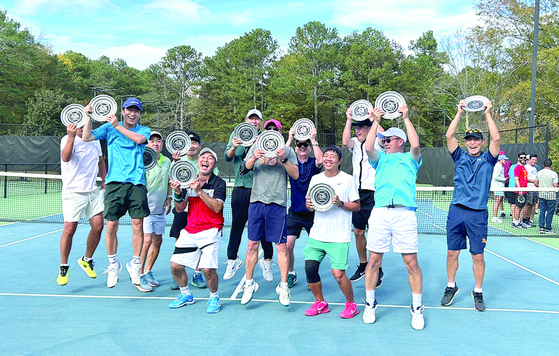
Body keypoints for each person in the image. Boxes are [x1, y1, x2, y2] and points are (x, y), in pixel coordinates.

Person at [363, 105, 425, 330]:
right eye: (384, 140)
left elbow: (416, 144)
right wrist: (375, 121)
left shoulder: (411, 159)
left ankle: (417, 309)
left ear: (400, 141)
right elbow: (368, 146)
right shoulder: (379, 160)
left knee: (412, 263)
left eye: (389, 140)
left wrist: (406, 118)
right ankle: (370, 304)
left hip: (405, 214)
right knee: (373, 262)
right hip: (380, 213)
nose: (385, 143)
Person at [82, 97, 151, 291]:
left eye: (136, 111)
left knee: (138, 225)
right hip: (114, 184)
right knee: (111, 226)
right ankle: (113, 265)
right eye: (129, 110)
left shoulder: (143, 131)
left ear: (139, 114)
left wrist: (117, 126)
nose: (132, 113)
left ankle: (136, 265)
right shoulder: (108, 128)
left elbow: (138, 140)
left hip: (137, 183)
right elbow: (86, 137)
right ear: (122, 111)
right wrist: (88, 117)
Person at [441, 100, 499, 313]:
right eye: (469, 140)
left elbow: (497, 138)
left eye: (476, 139)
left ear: (482, 142)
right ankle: (451, 286)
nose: (472, 142)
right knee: (452, 252)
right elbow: (449, 137)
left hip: (478, 214)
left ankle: (478, 291)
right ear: (466, 143)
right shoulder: (459, 156)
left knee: (478, 256)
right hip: (456, 210)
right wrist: (458, 112)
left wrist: (488, 114)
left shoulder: (489, 160)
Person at [240, 119, 299, 306]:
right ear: (264, 131)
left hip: (278, 204)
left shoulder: (288, 151)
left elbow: (295, 175)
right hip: (256, 202)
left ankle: (283, 287)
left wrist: (283, 159)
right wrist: (253, 157)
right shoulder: (255, 147)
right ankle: (249, 284)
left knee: (281, 246)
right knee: (252, 245)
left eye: (275, 129)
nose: (272, 131)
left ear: (280, 133)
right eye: (269, 128)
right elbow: (244, 169)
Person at [303, 145, 360, 318]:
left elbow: (357, 206)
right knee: (310, 269)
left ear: (340, 161)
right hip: (317, 234)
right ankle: (320, 303)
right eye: (326, 155)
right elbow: (310, 203)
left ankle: (351, 304)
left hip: (339, 237)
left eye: (333, 156)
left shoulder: (348, 180)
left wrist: (340, 203)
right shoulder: (315, 179)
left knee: (338, 275)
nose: (328, 158)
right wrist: (308, 205)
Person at [168, 148, 226, 313]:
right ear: (198, 162)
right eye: (203, 157)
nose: (206, 159)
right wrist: (178, 192)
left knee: (207, 270)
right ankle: (186, 294)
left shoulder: (219, 183)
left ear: (214, 164)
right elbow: (180, 209)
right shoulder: (188, 180)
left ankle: (214, 297)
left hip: (211, 230)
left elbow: (217, 208)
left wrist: (199, 191)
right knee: (176, 266)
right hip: (190, 230)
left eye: (210, 158)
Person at [223, 109, 274, 282]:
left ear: (260, 122)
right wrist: (236, 146)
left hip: (261, 189)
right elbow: (227, 157)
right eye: (251, 119)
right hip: (241, 187)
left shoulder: (266, 136)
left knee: (264, 228)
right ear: (246, 120)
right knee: (237, 224)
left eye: (257, 119)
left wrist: (260, 144)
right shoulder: (235, 135)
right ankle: (232, 259)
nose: (254, 122)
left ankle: (267, 260)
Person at [57, 122, 106, 286]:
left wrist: (105, 180)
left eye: (85, 127)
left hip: (92, 191)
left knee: (98, 226)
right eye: (79, 127)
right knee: (69, 229)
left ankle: (87, 259)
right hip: (73, 192)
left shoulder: (95, 141)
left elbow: (100, 161)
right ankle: (64, 266)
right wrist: (71, 137)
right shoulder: (66, 139)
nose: (82, 129)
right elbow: (66, 157)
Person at [169, 130, 218, 289]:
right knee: (180, 241)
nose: (192, 146)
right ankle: (181, 273)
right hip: (183, 211)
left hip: (201, 213)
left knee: (201, 245)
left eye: (195, 143)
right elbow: (174, 183)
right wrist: (174, 164)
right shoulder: (178, 162)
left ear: (199, 146)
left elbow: (212, 183)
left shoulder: (206, 163)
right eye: (188, 142)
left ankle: (197, 275)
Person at [342, 108, 385, 285]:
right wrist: (349, 119)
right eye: (357, 128)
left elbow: (385, 135)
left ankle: (378, 268)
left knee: (375, 232)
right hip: (356, 194)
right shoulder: (355, 142)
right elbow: (345, 142)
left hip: (374, 193)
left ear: (369, 129)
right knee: (358, 231)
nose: (358, 131)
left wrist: (375, 120)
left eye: (362, 127)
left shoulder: (377, 143)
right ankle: (363, 264)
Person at [284, 127, 323, 288]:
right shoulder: (290, 163)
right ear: (295, 147)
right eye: (299, 145)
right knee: (287, 245)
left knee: (315, 247)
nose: (302, 147)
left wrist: (313, 140)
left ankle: (312, 276)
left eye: (305, 144)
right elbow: (282, 154)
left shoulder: (314, 163)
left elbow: (321, 160)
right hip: (294, 213)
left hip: (313, 213)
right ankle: (291, 272)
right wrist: (290, 137)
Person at [140, 131, 172, 290]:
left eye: (158, 141)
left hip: (160, 210)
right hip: (145, 210)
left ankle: (148, 270)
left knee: (157, 241)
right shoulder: (142, 161)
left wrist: (169, 197)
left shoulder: (167, 161)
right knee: (146, 241)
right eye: (151, 141)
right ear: (146, 144)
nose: (155, 143)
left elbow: (169, 181)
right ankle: (139, 274)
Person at [535, 159, 558, 234]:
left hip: (542, 195)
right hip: (551, 196)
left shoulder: (539, 173)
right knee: (550, 212)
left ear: (543, 165)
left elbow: (536, 183)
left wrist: (541, 186)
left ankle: (541, 227)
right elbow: (555, 185)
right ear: (551, 166)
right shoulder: (554, 174)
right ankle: (548, 228)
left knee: (542, 211)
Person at [512, 152, 529, 229]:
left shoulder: (524, 167)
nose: (523, 159)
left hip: (524, 190)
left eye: (524, 157)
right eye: (521, 158)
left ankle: (517, 221)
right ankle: (515, 222)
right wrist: (520, 190)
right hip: (520, 190)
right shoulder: (518, 167)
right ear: (518, 158)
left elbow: (524, 179)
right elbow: (516, 179)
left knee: (521, 206)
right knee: (518, 207)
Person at [490, 153, 507, 223]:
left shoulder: (500, 166)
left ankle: (495, 217)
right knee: (497, 201)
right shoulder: (499, 166)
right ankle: (494, 217)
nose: (505, 161)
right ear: (501, 160)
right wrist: (504, 179)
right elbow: (495, 176)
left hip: (499, 186)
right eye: (504, 160)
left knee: (498, 200)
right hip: (497, 187)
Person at [523, 154, 539, 227]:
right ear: (529, 160)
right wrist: (533, 181)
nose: (534, 161)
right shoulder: (526, 167)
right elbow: (524, 178)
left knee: (533, 205)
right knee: (527, 205)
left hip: (535, 189)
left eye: (535, 160)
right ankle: (524, 219)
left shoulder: (535, 169)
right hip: (529, 189)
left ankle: (530, 220)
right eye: (532, 159)